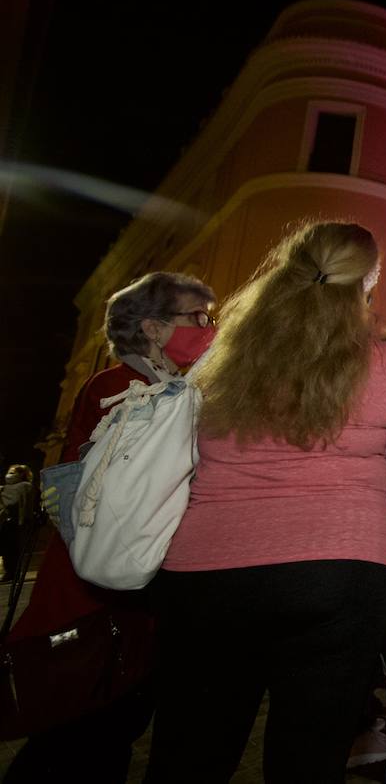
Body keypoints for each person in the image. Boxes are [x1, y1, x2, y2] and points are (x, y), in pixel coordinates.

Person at [144, 222, 386, 783]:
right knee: (309, 760)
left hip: (210, 568)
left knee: (189, 754)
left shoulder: (223, 355)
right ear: (366, 283)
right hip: (342, 568)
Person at [4, 272, 216, 784]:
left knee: (89, 736)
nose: (210, 328)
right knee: (82, 738)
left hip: (114, 603)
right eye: (199, 317)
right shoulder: (127, 391)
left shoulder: (156, 387)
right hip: (101, 606)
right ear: (153, 327)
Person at [1, 465, 38, 582]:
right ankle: (10, 571)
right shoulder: (3, 488)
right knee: (6, 548)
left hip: (16, 521)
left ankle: (12, 572)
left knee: (12, 548)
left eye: (13, 473)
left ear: (21, 474)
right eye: (9, 472)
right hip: (4, 521)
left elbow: (22, 504)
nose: (9, 475)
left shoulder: (25, 486)